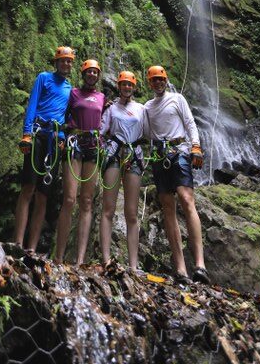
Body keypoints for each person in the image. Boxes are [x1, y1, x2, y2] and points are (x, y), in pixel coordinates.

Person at [143, 65, 209, 284]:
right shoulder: (147, 107)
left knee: (186, 198)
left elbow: (190, 123)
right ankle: (180, 269)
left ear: (166, 80)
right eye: (154, 80)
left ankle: (200, 265)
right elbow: (143, 131)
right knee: (168, 207)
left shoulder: (177, 99)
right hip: (159, 156)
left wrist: (196, 147)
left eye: (161, 79)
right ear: (149, 83)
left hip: (179, 151)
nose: (158, 83)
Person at [13, 46, 75, 252]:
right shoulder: (43, 78)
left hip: (55, 140)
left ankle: (31, 248)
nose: (66, 64)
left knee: (43, 194)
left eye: (69, 61)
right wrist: (26, 133)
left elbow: (67, 117)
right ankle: (17, 243)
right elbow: (32, 105)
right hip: (38, 135)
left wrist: (63, 137)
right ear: (56, 62)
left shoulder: (69, 88)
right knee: (28, 188)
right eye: (63, 60)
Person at [55, 59, 106, 265]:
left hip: (93, 147)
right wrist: (60, 137)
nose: (92, 75)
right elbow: (62, 115)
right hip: (74, 144)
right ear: (83, 74)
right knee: (69, 199)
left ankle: (80, 260)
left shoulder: (102, 97)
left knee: (86, 201)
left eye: (95, 72)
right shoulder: (73, 93)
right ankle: (58, 257)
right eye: (89, 72)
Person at [99, 70, 145, 271]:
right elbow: (100, 132)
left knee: (132, 213)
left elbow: (149, 131)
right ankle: (106, 259)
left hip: (133, 155)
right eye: (123, 84)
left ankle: (133, 265)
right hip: (114, 153)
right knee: (108, 208)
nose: (127, 87)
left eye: (130, 84)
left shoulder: (142, 109)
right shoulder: (110, 109)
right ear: (119, 86)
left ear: (134, 87)